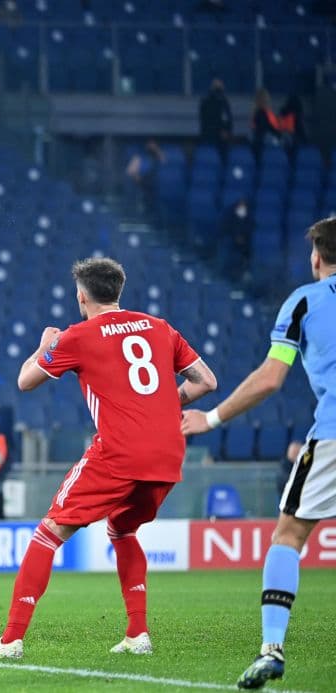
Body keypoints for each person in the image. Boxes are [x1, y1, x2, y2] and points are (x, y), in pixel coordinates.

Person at [0, 257, 217, 660]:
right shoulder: (159, 328)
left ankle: (11, 640)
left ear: (81, 296)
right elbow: (206, 381)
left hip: (120, 451)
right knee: (122, 529)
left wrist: (44, 346)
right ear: (118, 291)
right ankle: (138, 635)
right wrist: (162, 409)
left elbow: (25, 381)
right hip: (168, 450)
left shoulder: (78, 335)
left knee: (47, 534)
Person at [182, 217, 336, 689]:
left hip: (333, 435)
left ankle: (272, 648)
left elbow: (271, 377)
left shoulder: (305, 302)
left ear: (316, 258)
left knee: (288, 536)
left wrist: (210, 419)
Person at [199, 78, 233, 152]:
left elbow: (226, 117)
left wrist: (226, 130)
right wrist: (223, 130)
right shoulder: (208, 101)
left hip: (217, 134)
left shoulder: (223, 100)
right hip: (213, 134)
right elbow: (205, 118)